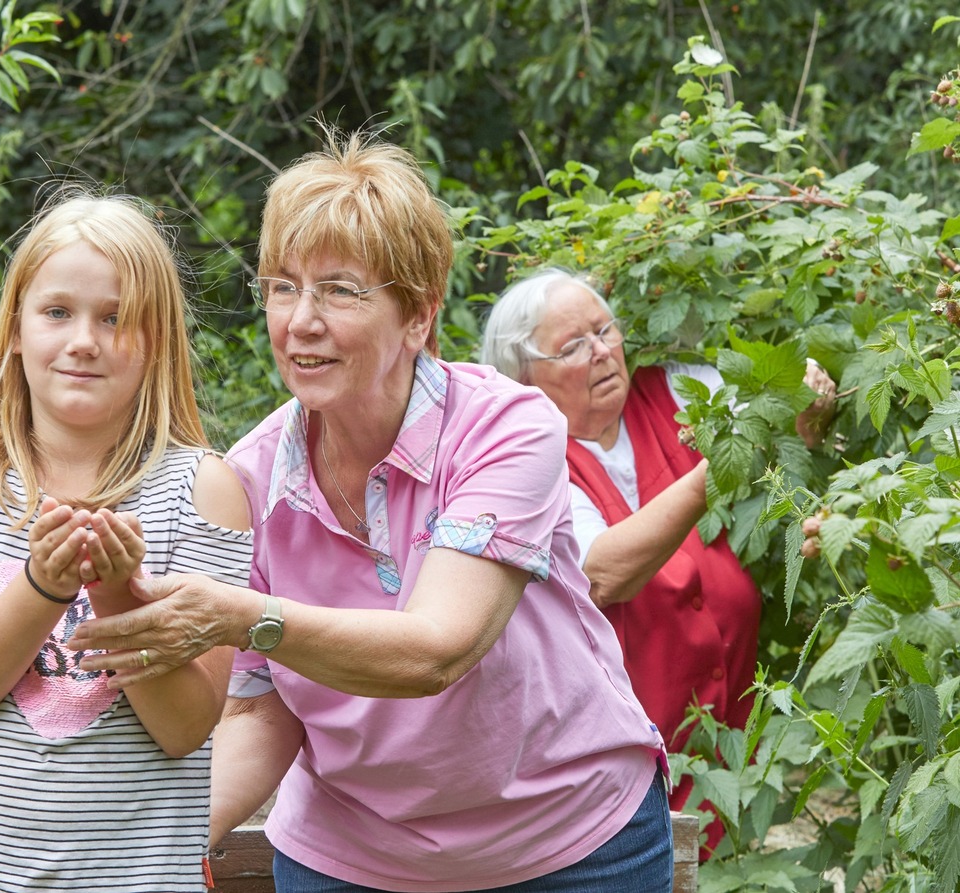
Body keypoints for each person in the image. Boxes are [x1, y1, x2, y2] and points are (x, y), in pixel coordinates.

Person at [67, 131, 674, 893]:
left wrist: (242, 614)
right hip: (353, 863)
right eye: (283, 287)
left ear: (418, 314)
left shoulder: (507, 428)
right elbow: (262, 716)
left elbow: (438, 650)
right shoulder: (247, 482)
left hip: (574, 845)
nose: (300, 320)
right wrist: (165, 844)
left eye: (341, 289)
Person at [0, 191, 253, 893]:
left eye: (115, 318)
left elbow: (186, 727)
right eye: (57, 312)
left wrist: (114, 593)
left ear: (159, 340)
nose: (84, 339)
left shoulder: (203, 492)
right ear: (15, 327)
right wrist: (43, 588)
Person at [478, 267, 836, 852]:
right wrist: (716, 465)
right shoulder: (528, 460)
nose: (600, 352)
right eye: (572, 346)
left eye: (605, 331)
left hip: (730, 753)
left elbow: (775, 411)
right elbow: (602, 572)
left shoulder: (673, 391)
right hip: (617, 783)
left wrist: (806, 399)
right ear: (525, 377)